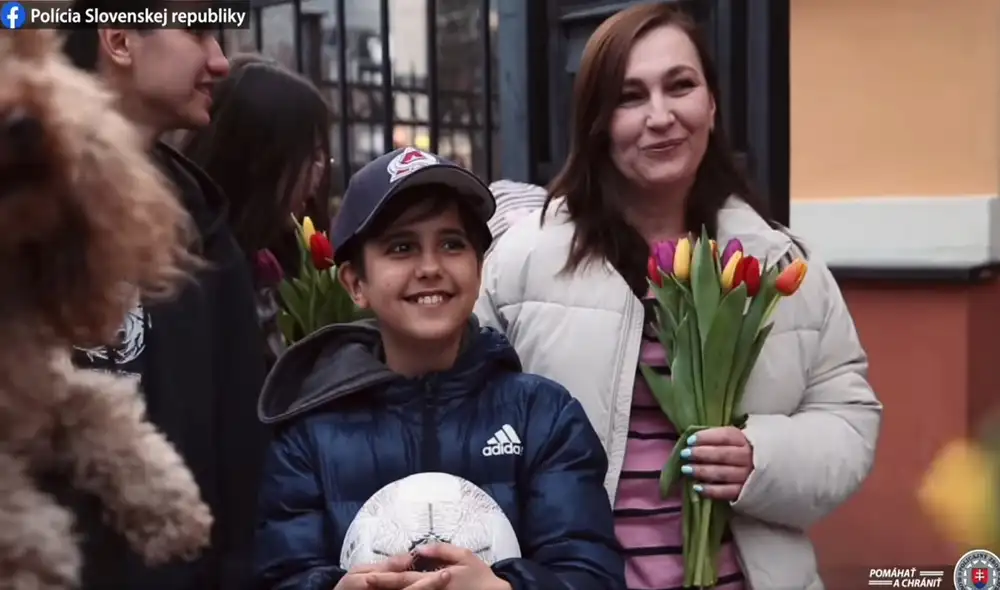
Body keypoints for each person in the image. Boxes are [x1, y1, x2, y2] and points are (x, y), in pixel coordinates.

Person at [475, 4, 882, 590]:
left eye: (681, 86)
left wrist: (760, 457)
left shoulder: (780, 262)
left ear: (711, 105)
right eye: (629, 96)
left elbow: (849, 417)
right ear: (595, 120)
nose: (660, 116)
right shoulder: (520, 266)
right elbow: (468, 423)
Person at [253, 147, 625, 590]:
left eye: (451, 244)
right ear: (356, 283)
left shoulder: (543, 416)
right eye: (401, 247)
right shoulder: (308, 435)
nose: (430, 267)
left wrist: (503, 589)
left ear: (479, 267)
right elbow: (277, 576)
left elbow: (592, 575)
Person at [59, 2, 269, 588]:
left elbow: (237, 451)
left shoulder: (202, 230)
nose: (221, 62)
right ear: (120, 39)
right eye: (200, 31)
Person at [181, 60, 332, 364]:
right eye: (312, 156)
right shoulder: (193, 275)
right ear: (263, 159)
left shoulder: (268, 265)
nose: (321, 173)